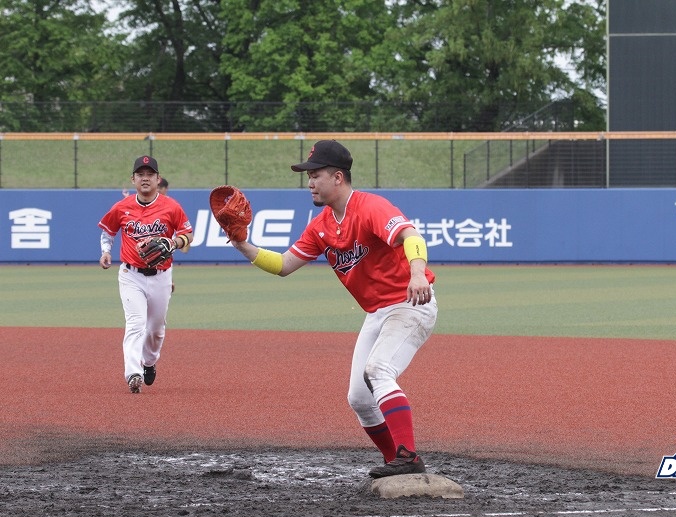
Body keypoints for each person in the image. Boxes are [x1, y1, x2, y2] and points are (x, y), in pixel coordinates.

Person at [228, 140, 437, 478]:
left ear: (338, 177)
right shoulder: (321, 225)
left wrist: (416, 273)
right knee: (359, 398)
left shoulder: (370, 207)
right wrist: (242, 245)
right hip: (378, 312)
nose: (310, 182)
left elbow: (411, 236)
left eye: (316, 175)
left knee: (379, 371)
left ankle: (408, 456)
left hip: (411, 303)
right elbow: (283, 265)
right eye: (308, 176)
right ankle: (396, 464)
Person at [98, 156, 193, 393]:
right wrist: (106, 251)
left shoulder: (172, 206)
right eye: (140, 174)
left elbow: (188, 235)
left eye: (150, 174)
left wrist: (174, 242)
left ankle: (149, 362)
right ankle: (133, 373)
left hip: (161, 275)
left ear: (158, 179)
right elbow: (108, 231)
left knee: (156, 330)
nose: (145, 178)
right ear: (133, 179)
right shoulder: (122, 207)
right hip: (131, 274)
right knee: (135, 323)